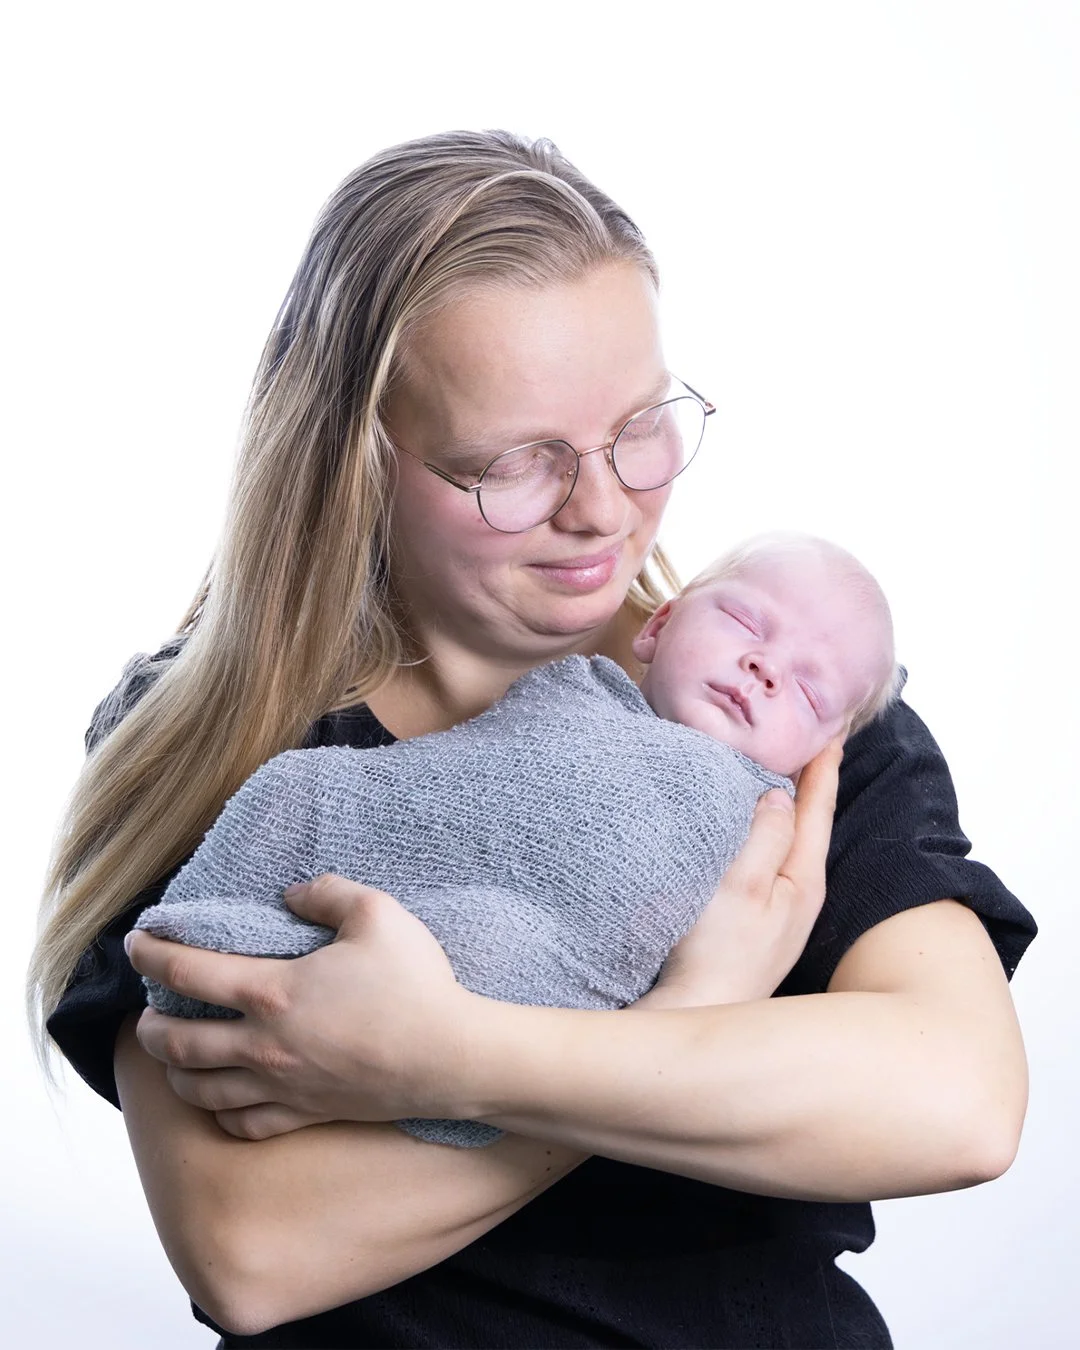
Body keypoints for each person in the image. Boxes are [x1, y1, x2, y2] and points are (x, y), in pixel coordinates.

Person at [28, 130, 1036, 1349]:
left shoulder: (773, 710)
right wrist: (690, 1009)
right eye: (514, 461)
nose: (603, 509)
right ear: (356, 458)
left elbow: (957, 1101)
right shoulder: (205, 740)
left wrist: (448, 1057)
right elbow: (252, 1254)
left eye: (641, 425)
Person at [131, 532, 904, 1153]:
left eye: (809, 690)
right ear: (660, 625)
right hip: (422, 837)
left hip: (527, 952)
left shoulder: (771, 833)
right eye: (744, 623)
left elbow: (949, 1109)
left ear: (821, 751)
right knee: (302, 790)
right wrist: (695, 1009)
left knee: (488, 946)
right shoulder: (574, 685)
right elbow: (477, 769)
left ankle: (279, 974)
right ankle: (226, 949)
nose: (765, 667)